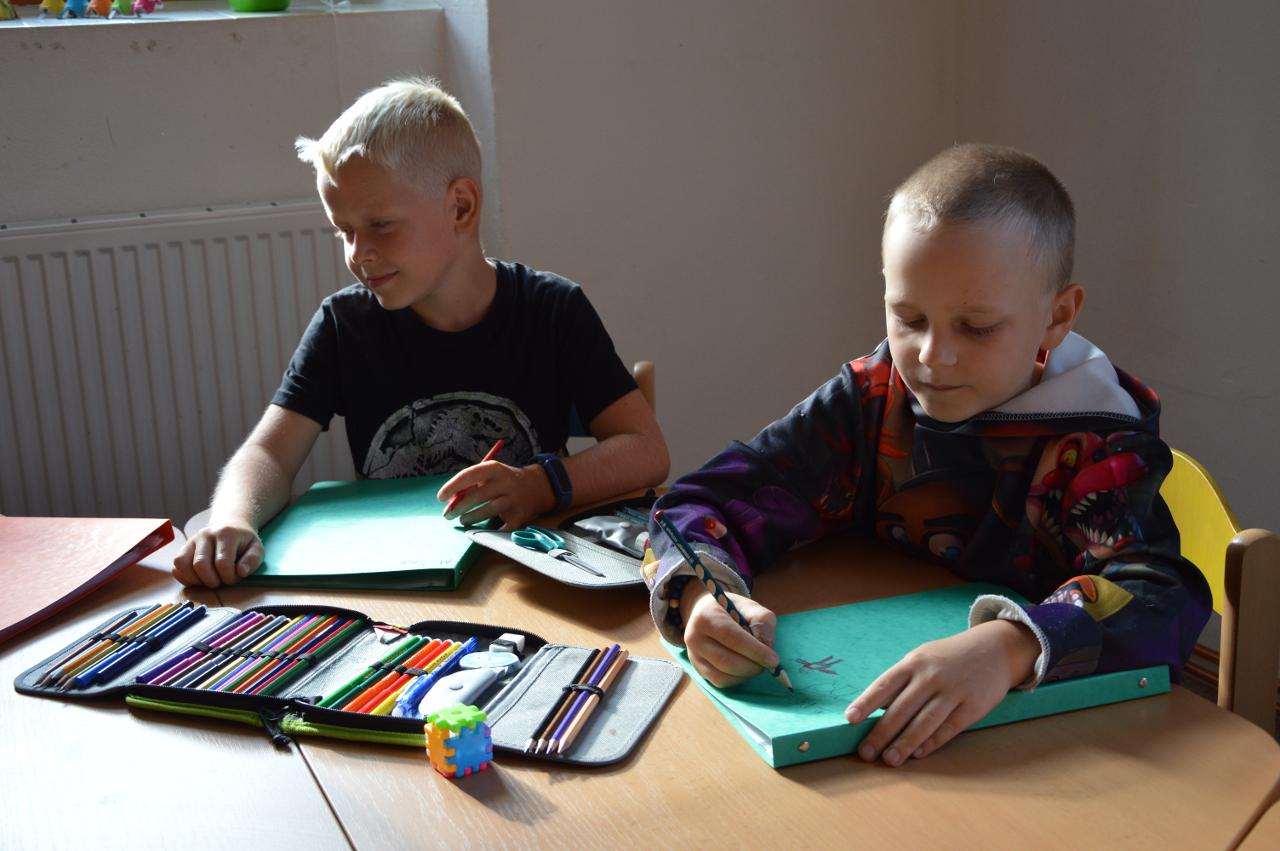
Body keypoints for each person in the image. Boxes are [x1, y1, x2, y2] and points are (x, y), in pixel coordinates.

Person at [643, 143, 1210, 767]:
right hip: (873, 723)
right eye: (909, 317)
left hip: (1050, 745)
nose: (933, 357)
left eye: (977, 326)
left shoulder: (1098, 446)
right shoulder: (869, 399)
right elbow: (702, 500)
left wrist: (1010, 646)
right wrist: (704, 596)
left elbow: (1161, 598)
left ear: (1057, 316)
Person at [174, 77, 669, 589]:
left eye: (381, 225)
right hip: (400, 589)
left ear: (461, 207)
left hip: (535, 577)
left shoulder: (552, 308)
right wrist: (233, 519)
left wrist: (541, 485)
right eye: (344, 231)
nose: (358, 253)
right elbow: (269, 454)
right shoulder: (344, 325)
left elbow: (645, 449)